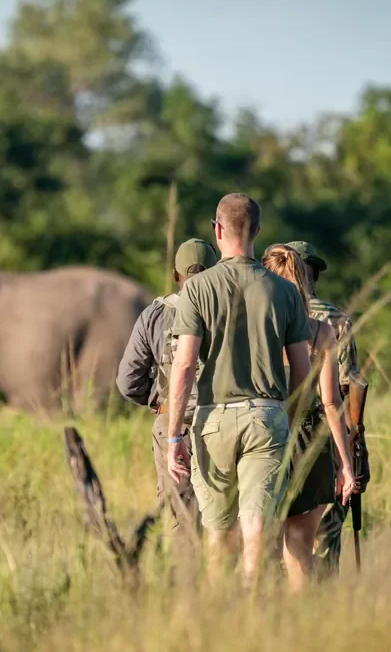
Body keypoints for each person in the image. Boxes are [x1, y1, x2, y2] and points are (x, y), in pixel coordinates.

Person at [164, 192, 318, 590]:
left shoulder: (198, 289)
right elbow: (302, 368)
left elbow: (183, 366)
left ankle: (219, 613)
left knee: (217, 533)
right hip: (267, 415)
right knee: (256, 527)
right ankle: (253, 611)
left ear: (217, 230)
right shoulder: (284, 292)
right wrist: (290, 417)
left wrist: (174, 435)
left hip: (212, 417)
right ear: (258, 232)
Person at [264, 240, 371, 578]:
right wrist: (350, 456)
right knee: (313, 544)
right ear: (311, 276)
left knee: (260, 541)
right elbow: (341, 391)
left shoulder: (252, 318)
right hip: (314, 436)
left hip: (261, 429)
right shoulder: (331, 322)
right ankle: (315, 612)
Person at [115, 238, 219, 545]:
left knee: (181, 519)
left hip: (171, 423)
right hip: (223, 420)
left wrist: (160, 401)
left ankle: (184, 588)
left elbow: (127, 381)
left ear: (176, 276)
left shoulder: (155, 314)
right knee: (226, 514)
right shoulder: (231, 310)